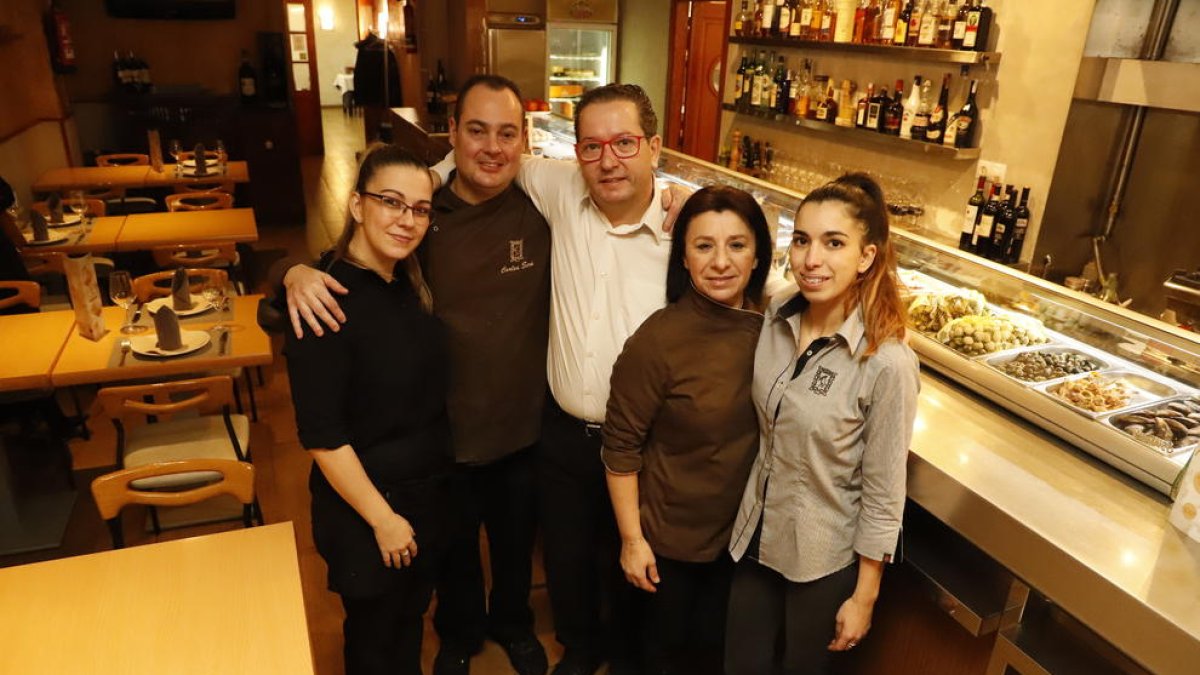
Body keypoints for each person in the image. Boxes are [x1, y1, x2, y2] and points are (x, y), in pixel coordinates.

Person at [281, 75, 552, 675]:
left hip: (514, 429)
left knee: (507, 549)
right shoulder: (425, 215)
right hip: (435, 447)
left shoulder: (542, 209)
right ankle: (457, 635)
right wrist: (291, 274)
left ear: (523, 140)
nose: (491, 146)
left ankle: (512, 624)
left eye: (507, 133)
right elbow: (335, 276)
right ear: (451, 135)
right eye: (476, 129)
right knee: (445, 562)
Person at [427, 82, 687, 675]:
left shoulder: (686, 231)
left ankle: (623, 654)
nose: (607, 159)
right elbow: (482, 160)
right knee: (566, 555)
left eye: (624, 143)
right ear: (574, 154)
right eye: (592, 146)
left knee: (632, 554)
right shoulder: (557, 187)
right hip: (563, 430)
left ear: (653, 147)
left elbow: (763, 276)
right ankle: (578, 646)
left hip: (646, 440)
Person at [724, 173, 920, 675]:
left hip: (822, 558)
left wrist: (865, 596)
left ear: (867, 256)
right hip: (753, 534)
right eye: (803, 240)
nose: (812, 260)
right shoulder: (778, 314)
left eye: (834, 243)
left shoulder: (886, 363)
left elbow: (883, 492)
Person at [284, 144, 453, 675]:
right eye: (391, 202)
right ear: (357, 205)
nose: (407, 220)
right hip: (367, 512)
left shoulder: (406, 281)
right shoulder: (323, 298)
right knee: (375, 642)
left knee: (406, 626)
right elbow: (322, 437)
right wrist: (384, 521)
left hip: (421, 499)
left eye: (420, 208)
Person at [601, 186, 772, 675]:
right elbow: (620, 449)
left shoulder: (775, 329)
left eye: (737, 245)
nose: (721, 261)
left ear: (758, 255)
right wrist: (633, 542)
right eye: (704, 246)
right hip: (668, 547)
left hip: (739, 544)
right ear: (684, 258)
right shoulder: (659, 340)